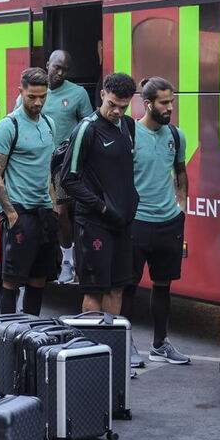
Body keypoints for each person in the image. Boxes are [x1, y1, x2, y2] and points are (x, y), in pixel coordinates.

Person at [120, 77, 190, 365]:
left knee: (163, 285)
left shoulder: (176, 135)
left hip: (168, 222)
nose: (170, 107)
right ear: (147, 104)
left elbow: (181, 171)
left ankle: (161, 344)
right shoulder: (130, 134)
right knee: (129, 286)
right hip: (137, 221)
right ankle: (126, 346)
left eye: (171, 102)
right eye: (164, 102)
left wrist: (182, 204)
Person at [60, 72, 139, 314]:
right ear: (102, 95)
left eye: (123, 107)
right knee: (95, 289)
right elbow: (68, 179)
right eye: (112, 104)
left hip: (122, 224)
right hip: (94, 223)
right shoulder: (87, 128)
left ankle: (111, 348)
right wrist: (102, 207)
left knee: (117, 288)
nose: (116, 111)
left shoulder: (128, 125)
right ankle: (89, 350)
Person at [16, 50, 94, 283]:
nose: (59, 73)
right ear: (47, 64)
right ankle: (42, 261)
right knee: (35, 213)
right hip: (33, 163)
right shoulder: (30, 93)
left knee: (60, 211)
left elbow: (88, 127)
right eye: (56, 67)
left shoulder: (78, 93)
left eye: (65, 69)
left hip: (61, 164)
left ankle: (68, 262)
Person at [0, 68, 58, 316]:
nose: (37, 102)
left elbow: (49, 169)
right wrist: (10, 213)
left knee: (39, 279)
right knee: (12, 280)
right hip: (19, 212)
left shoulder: (49, 123)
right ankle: (8, 336)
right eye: (32, 96)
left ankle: (32, 332)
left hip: (44, 212)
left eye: (42, 96)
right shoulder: (9, 125)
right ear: (21, 92)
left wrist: (54, 206)